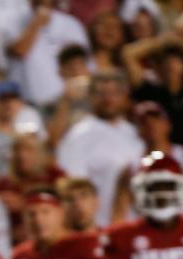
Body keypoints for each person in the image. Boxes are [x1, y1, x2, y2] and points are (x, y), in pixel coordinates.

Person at [57, 71, 144, 227]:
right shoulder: (78, 136)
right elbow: (74, 188)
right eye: (101, 93)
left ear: (125, 97)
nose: (108, 99)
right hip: (101, 226)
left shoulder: (136, 132)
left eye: (114, 93)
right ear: (90, 97)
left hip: (138, 225)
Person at [112, 101, 183, 220]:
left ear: (168, 124)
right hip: (148, 235)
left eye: (156, 120)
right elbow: (119, 214)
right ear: (138, 131)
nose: (151, 125)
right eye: (144, 122)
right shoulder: (131, 168)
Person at [4, 0, 89, 107]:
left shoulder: (71, 25)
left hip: (67, 100)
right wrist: (36, 23)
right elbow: (20, 50)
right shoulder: (13, 22)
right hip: (28, 103)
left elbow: (84, 65)